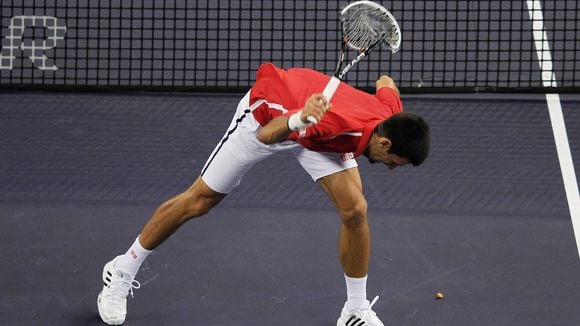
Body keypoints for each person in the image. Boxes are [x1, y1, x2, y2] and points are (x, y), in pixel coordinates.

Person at [97, 62, 430, 326]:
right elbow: (269, 136)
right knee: (200, 201)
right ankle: (122, 268)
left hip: (320, 135)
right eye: (393, 162)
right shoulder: (331, 123)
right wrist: (300, 118)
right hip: (269, 119)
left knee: (355, 210)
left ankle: (355, 309)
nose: (389, 167)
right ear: (383, 143)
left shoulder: (390, 114)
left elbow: (385, 81)